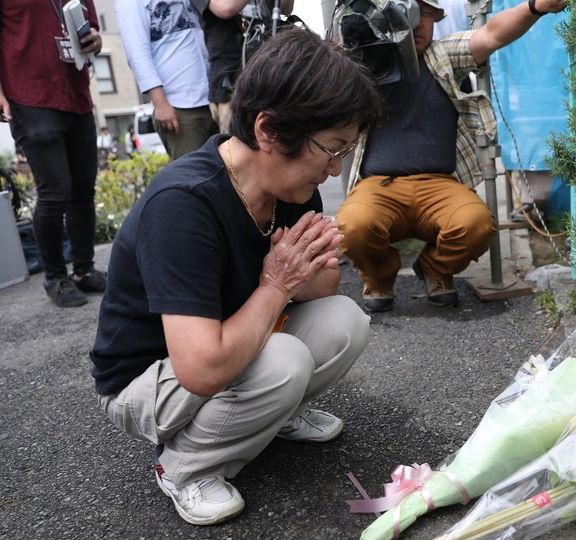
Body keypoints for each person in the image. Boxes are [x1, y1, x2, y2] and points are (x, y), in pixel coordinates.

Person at [90, 26, 382, 526]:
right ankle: (184, 468)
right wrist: (274, 284)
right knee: (285, 359)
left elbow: (323, 286)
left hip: (226, 345)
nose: (335, 171)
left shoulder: (290, 190)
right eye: (332, 148)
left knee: (345, 321)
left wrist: (288, 278)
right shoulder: (184, 205)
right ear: (269, 130)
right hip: (148, 379)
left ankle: (272, 415)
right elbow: (199, 368)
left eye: (346, 151)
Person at [336, 0, 567, 312]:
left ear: (434, 18)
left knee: (477, 224)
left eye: (423, 16)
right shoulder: (369, 59)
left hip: (439, 184)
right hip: (379, 185)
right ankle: (378, 277)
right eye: (405, 16)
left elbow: (491, 35)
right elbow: (330, 62)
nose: (415, 25)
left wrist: (535, 6)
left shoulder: (442, 55)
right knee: (352, 224)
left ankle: (434, 268)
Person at [0, 0, 107, 308]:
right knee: (55, 191)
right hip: (29, 93)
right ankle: (55, 276)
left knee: (83, 189)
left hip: (76, 93)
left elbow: (93, 30)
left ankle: (84, 269)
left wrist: (96, 39)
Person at [117, 0, 219, 160]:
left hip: (214, 98)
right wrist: (160, 103)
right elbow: (136, 53)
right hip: (179, 106)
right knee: (194, 177)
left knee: (229, 175)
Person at [191, 0, 294, 132]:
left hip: (269, 77)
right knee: (240, 145)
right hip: (230, 84)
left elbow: (285, 8)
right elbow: (225, 7)